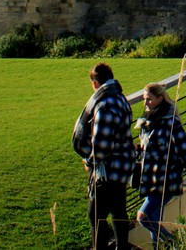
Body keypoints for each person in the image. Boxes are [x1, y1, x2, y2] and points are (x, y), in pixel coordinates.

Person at [72, 62, 137, 250]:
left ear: (94, 83)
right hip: (123, 163)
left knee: (95, 215)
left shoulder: (105, 104)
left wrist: (90, 161)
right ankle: (122, 246)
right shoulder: (120, 98)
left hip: (109, 167)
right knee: (118, 211)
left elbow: (102, 144)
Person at [133, 82, 186, 247]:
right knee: (155, 220)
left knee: (144, 217)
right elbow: (145, 150)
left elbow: (185, 150)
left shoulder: (170, 123)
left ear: (160, 99)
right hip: (150, 179)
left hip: (165, 180)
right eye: (144, 99)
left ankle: (175, 243)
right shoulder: (147, 122)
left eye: (149, 99)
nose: (145, 103)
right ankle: (160, 246)